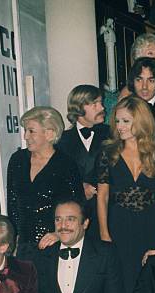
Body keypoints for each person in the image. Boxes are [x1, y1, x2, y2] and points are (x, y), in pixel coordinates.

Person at [97, 96, 155, 293]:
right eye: (117, 121)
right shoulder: (108, 152)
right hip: (119, 222)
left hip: (152, 221)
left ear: (140, 121)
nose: (119, 126)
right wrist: (104, 232)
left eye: (126, 121)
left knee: (152, 278)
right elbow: (102, 196)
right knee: (122, 281)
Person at [7, 106, 84, 261]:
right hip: (24, 245)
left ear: (49, 133)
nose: (26, 136)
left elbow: (78, 205)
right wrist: (14, 237)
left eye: (31, 131)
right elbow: (13, 202)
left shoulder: (66, 164)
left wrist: (59, 233)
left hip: (56, 243)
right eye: (25, 131)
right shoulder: (17, 160)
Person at [56, 85, 109, 242]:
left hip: (108, 211)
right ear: (78, 108)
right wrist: (79, 187)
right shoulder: (61, 141)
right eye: (95, 104)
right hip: (77, 214)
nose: (101, 107)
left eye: (101, 102)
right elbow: (58, 177)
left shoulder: (112, 134)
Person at [127, 57, 155, 144]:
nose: (144, 87)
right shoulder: (124, 108)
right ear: (133, 81)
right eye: (139, 80)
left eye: (151, 81)